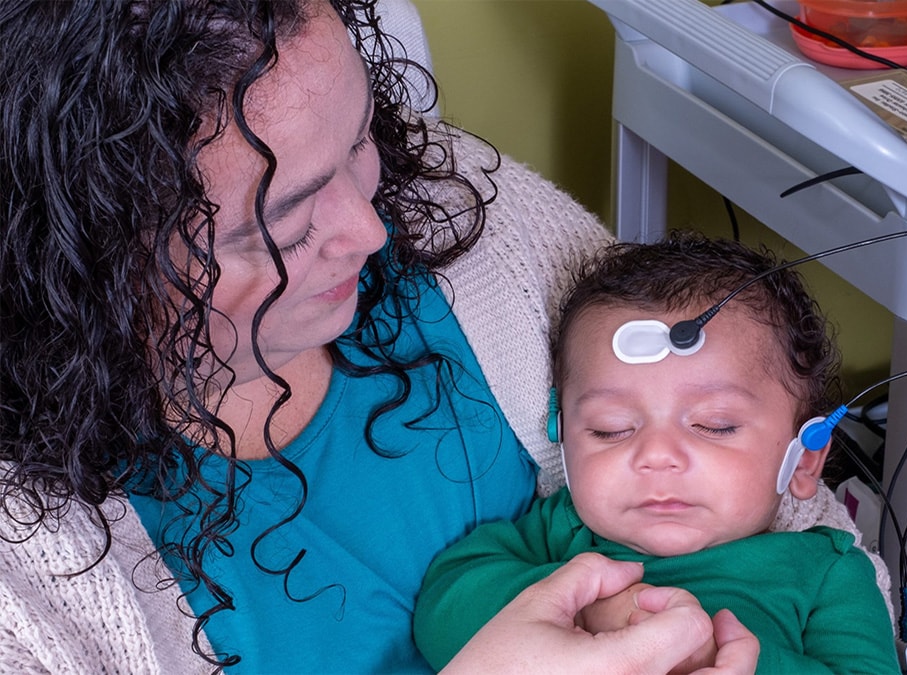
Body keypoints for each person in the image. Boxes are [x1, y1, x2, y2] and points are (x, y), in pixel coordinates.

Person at [0, 1, 767, 672]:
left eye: (360, 140)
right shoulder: (25, 591)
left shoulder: (476, 223)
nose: (371, 231)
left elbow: (783, 478)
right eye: (291, 227)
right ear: (81, 269)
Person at [414, 233, 901, 674]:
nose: (657, 456)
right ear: (562, 436)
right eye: (611, 429)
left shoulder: (824, 570)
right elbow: (443, 607)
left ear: (804, 459)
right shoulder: (560, 533)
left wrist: (718, 656)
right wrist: (586, 611)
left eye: (714, 425)